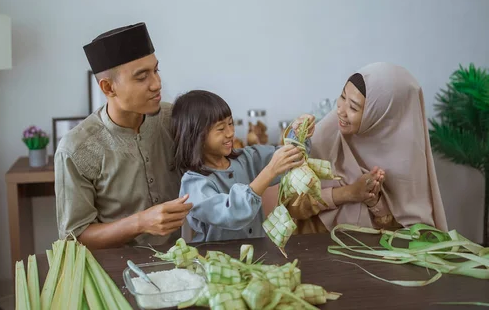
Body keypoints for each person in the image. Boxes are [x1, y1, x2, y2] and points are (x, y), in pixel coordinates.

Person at [55, 22, 192, 250]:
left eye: (156, 70)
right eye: (142, 77)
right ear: (108, 88)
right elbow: (75, 237)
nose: (156, 84)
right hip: (113, 273)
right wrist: (140, 222)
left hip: (178, 263)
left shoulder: (175, 120)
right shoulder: (76, 149)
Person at [285, 62, 448, 233]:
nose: (341, 110)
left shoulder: (407, 164)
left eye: (353, 107)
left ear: (382, 116)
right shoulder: (324, 139)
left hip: (371, 256)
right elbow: (292, 204)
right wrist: (349, 193)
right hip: (313, 247)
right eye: (342, 97)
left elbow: (407, 233)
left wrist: (374, 201)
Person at [172, 90, 313, 242]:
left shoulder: (246, 158)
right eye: (221, 128)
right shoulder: (194, 184)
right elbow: (232, 213)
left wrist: (299, 133)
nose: (230, 132)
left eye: (231, 123)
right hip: (215, 261)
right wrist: (269, 171)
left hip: (257, 257)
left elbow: (293, 157)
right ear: (196, 136)